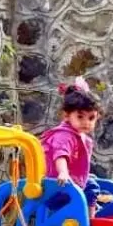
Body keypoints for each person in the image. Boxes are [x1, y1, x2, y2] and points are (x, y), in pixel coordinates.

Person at [41, 78, 107, 210]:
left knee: (94, 185)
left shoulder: (80, 136)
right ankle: (89, 218)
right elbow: (60, 155)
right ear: (67, 115)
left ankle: (91, 211)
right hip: (58, 184)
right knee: (91, 187)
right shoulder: (64, 135)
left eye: (91, 118)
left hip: (71, 182)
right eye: (80, 116)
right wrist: (63, 172)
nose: (86, 122)